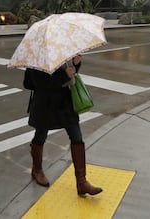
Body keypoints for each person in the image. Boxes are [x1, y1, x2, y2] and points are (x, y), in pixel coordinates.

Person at [23, 55, 103, 196]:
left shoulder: (62, 50)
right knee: (40, 136)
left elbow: (71, 74)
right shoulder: (37, 56)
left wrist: (75, 63)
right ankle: (37, 169)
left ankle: (81, 182)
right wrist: (64, 76)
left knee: (77, 137)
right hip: (45, 104)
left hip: (65, 103)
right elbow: (36, 82)